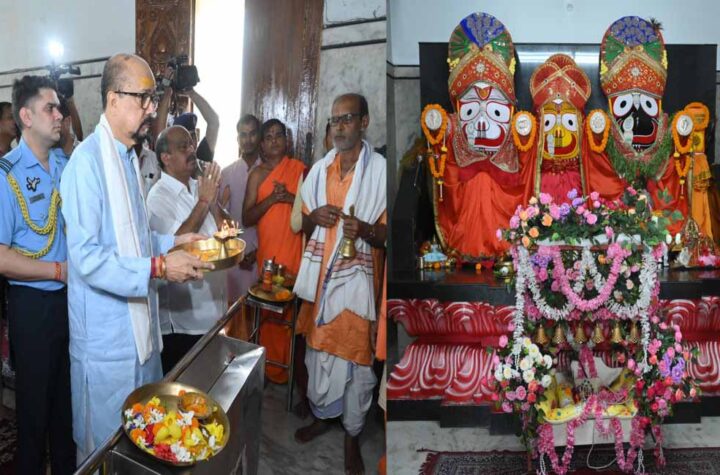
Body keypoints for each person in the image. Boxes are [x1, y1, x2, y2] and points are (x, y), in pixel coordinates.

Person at [60, 53, 212, 459]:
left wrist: (174, 242)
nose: (150, 108)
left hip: (142, 335)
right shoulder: (86, 165)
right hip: (108, 345)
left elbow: (136, 240)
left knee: (146, 441)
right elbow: (88, 259)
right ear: (113, 99)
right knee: (106, 451)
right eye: (143, 98)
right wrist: (159, 267)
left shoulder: (127, 158)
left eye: (153, 97)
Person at [293, 93, 386, 475]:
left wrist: (364, 229)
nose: (339, 127)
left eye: (347, 119)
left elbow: (388, 235)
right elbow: (303, 223)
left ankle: (351, 436)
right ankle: (322, 416)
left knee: (358, 367)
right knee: (318, 357)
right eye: (334, 120)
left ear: (364, 122)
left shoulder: (379, 171)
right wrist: (314, 215)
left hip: (359, 290)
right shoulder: (319, 171)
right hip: (320, 286)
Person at [0, 75, 75, 475]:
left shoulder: (64, 163)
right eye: (50, 108)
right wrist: (58, 270)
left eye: (59, 107)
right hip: (32, 305)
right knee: (34, 412)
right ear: (26, 117)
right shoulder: (6, 175)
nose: (59, 114)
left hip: (69, 300)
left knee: (66, 406)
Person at [147, 125, 226, 373]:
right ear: (166, 157)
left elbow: (226, 231)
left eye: (192, 143)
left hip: (213, 311)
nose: (192, 150)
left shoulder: (198, 186)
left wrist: (212, 201)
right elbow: (175, 245)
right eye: (183, 147)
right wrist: (203, 201)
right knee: (184, 389)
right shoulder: (158, 198)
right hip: (184, 324)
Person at [243, 118, 305, 384]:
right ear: (262, 145)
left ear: (286, 140)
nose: (274, 141)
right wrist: (272, 199)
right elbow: (247, 217)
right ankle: (269, 370)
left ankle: (290, 370)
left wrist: (289, 197)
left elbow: (310, 212)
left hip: (294, 253)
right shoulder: (257, 175)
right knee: (268, 313)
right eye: (268, 137)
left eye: (278, 135)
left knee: (291, 312)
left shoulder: (300, 170)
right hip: (269, 255)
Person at [220, 114, 262, 305]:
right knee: (233, 311)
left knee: (260, 309)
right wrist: (237, 251)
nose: (248, 140)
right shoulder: (226, 174)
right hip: (234, 254)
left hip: (262, 252)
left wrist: (257, 250)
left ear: (259, 136)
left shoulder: (269, 172)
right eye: (243, 135)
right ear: (237, 139)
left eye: (252, 134)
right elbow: (219, 220)